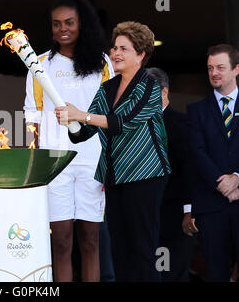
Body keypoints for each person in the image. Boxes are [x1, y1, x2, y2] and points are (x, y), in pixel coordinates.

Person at [55, 21, 171, 282]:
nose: (116, 53)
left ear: (140, 54)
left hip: (145, 176)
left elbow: (122, 122)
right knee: (119, 249)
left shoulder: (149, 86)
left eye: (124, 49)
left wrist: (82, 115)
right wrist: (70, 120)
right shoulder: (107, 87)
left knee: (141, 248)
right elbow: (83, 133)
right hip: (115, 178)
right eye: (114, 47)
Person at [24, 0, 114, 282]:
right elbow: (33, 115)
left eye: (69, 23)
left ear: (82, 24)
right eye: (56, 24)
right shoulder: (40, 64)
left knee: (90, 241)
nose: (62, 29)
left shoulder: (102, 63)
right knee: (61, 241)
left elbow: (108, 114)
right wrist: (36, 161)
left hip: (92, 160)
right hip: (55, 162)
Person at [186, 44, 239, 282]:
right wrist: (222, 184)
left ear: (236, 69)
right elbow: (196, 153)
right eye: (210, 68)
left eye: (220, 67)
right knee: (215, 273)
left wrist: (237, 178)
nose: (214, 73)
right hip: (211, 206)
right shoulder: (196, 110)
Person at [147, 67, 196, 282]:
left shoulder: (181, 124)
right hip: (148, 215)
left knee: (171, 273)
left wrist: (188, 209)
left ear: (164, 92)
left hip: (175, 216)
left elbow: (190, 170)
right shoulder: (137, 125)